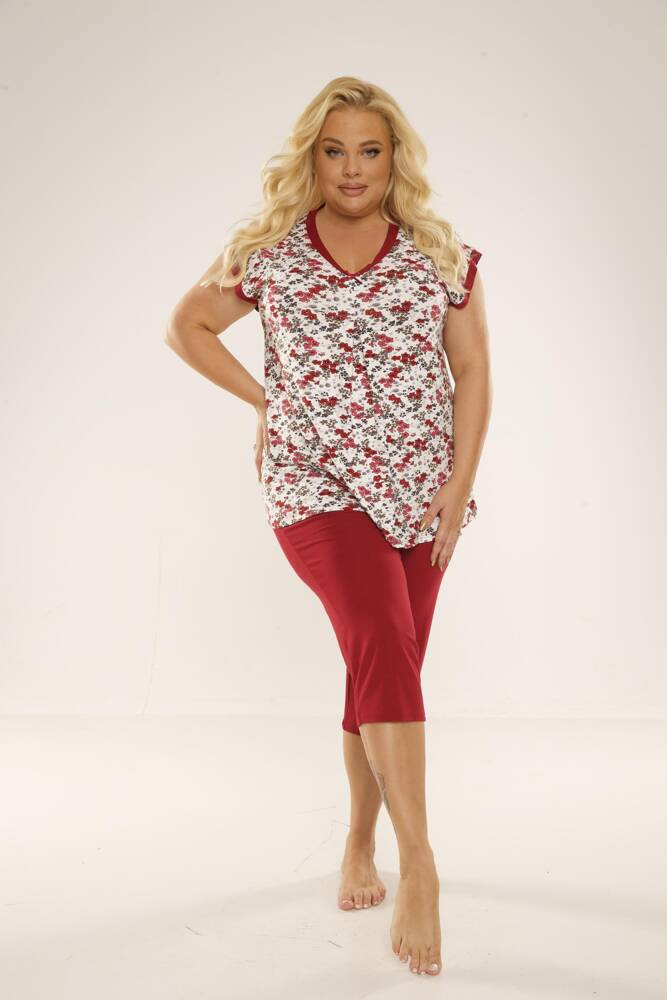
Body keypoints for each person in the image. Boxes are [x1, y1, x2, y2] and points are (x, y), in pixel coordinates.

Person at [165, 75, 491, 979]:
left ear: (395, 159)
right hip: (314, 489)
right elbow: (188, 326)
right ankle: (419, 862)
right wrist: (266, 403)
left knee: (382, 663)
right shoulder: (269, 252)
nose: (352, 169)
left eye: (369, 150)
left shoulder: (440, 253)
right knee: (381, 636)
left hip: (420, 492)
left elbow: (471, 371)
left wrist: (459, 485)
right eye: (334, 150)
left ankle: (357, 838)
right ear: (311, 157)